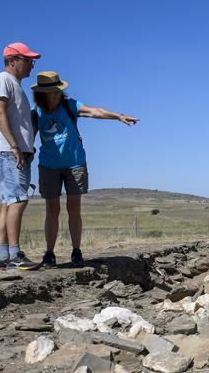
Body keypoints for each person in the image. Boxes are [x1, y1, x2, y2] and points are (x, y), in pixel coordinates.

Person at [31, 71, 139, 266]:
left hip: (75, 164)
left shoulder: (69, 105)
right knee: (52, 209)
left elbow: (94, 111)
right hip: (48, 165)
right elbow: (29, 136)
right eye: (53, 92)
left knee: (74, 207)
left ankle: (76, 251)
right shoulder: (36, 113)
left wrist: (118, 116)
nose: (57, 95)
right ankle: (49, 253)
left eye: (59, 91)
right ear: (42, 95)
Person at [0, 42, 42, 271]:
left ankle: (3, 256)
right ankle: (14, 255)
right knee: (18, 200)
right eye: (28, 60)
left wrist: (27, 147)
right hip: (9, 151)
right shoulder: (2, 80)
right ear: (12, 60)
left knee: (9, 202)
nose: (32, 65)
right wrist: (15, 147)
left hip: (12, 151)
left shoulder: (14, 84)